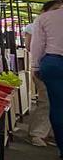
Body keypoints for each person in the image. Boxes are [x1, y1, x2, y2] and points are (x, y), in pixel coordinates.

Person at [30, 0, 63, 159]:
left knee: (56, 105)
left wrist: (35, 66)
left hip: (53, 62)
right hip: (54, 63)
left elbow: (37, 45)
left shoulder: (45, 18)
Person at [25, 17, 52, 147]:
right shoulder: (36, 25)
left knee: (49, 100)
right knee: (46, 100)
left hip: (45, 65)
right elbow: (30, 46)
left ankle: (45, 132)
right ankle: (38, 133)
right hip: (45, 65)